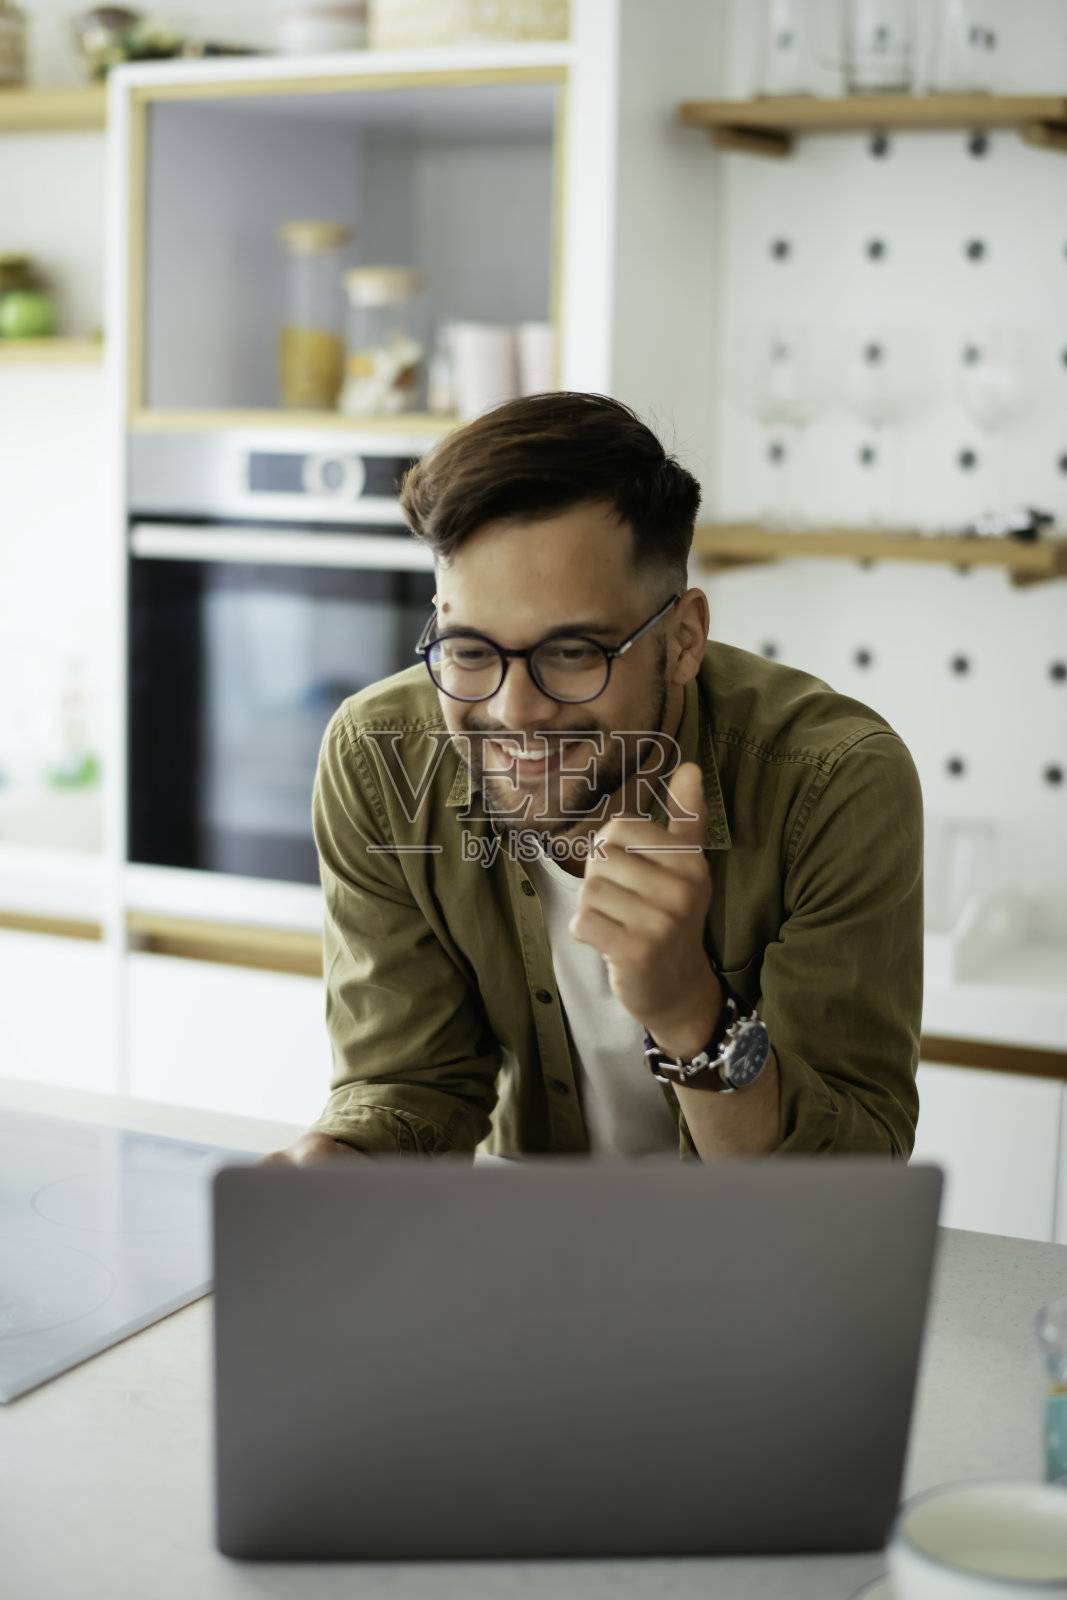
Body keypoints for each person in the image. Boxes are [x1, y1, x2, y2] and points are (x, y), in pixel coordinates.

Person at [264, 392, 922, 1166]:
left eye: (572, 652)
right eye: (470, 649)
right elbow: (413, 1085)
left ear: (681, 640)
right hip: (531, 1250)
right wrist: (328, 1168)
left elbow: (845, 1189)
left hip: (751, 1265)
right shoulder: (377, 757)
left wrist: (689, 1008)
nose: (513, 711)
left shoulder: (833, 783)